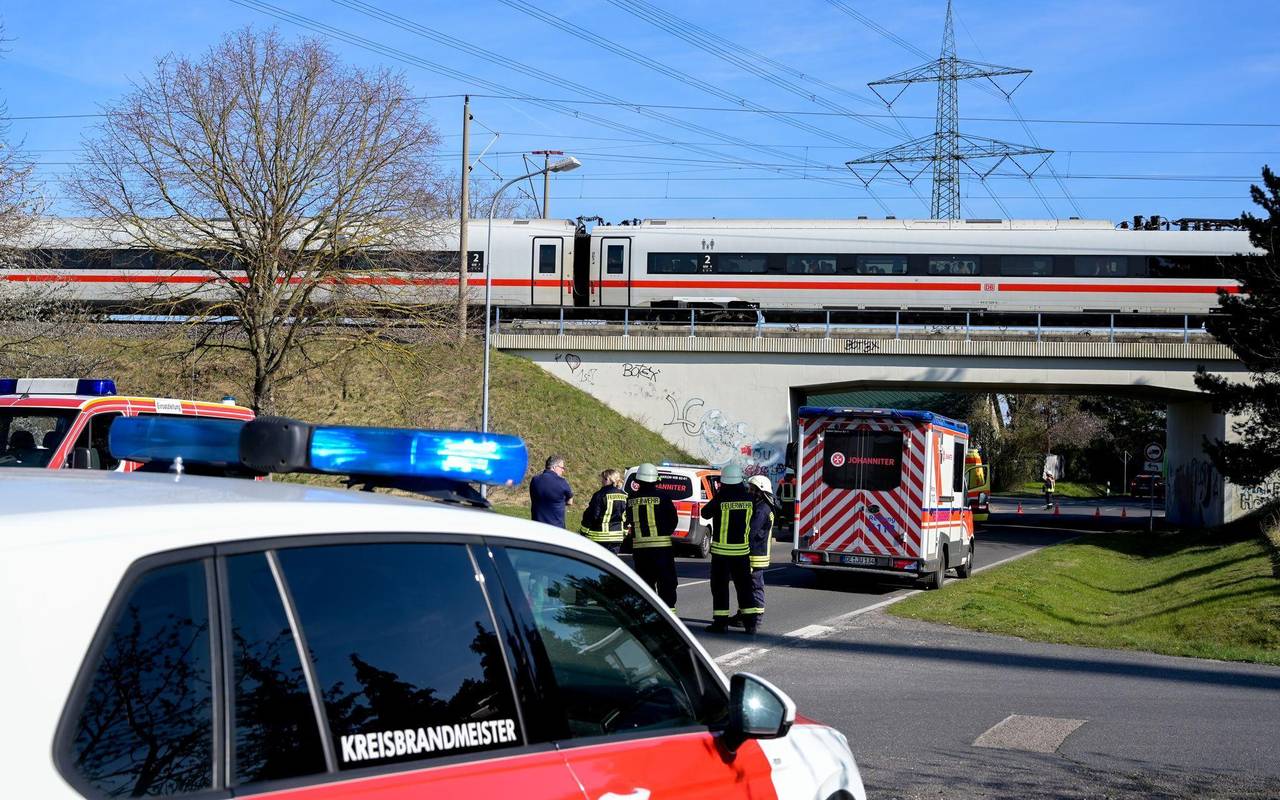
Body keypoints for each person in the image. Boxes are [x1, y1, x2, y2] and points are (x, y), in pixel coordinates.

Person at [700, 463, 759, 634]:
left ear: (724, 482)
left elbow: (705, 513)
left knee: (720, 589)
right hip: (742, 552)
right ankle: (750, 624)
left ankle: (721, 623)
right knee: (745, 588)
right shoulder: (750, 498)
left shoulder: (721, 498)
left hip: (721, 554)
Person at [626, 463, 679, 611]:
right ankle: (669, 617)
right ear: (655, 480)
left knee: (646, 585)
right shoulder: (663, 497)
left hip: (640, 551)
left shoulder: (631, 499)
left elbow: (629, 519)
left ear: (639, 480)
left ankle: (650, 615)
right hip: (662, 550)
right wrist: (664, 532)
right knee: (666, 584)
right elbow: (673, 520)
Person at [728, 474, 777, 630]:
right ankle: (744, 614)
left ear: (759, 491)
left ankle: (756, 618)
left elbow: (751, 530)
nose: (749, 491)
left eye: (752, 489)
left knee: (754, 587)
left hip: (755, 554)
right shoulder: (762, 505)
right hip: (755, 553)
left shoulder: (762, 509)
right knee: (745, 586)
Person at [579, 468, 627, 553]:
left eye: (603, 478)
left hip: (600, 538)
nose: (601, 481)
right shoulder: (624, 496)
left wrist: (583, 531)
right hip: (617, 537)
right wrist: (625, 532)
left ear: (608, 479)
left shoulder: (600, 495)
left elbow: (592, 515)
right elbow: (626, 516)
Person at [530, 454, 573, 528]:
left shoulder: (535, 480)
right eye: (562, 467)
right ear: (554, 467)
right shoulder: (562, 482)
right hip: (556, 529)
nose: (563, 470)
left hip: (537, 527)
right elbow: (570, 502)